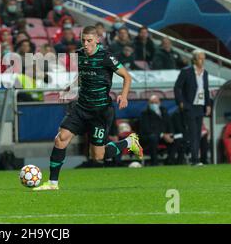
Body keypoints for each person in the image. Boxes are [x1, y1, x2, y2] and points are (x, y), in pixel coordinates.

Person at [34, 26, 143, 191]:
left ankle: (129, 142)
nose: (86, 44)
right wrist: (70, 87)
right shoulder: (79, 54)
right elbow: (83, 74)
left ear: (97, 40)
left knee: (97, 156)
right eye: (83, 40)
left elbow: (127, 76)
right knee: (61, 138)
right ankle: (52, 183)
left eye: (89, 40)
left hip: (100, 111)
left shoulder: (107, 57)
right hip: (81, 108)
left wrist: (124, 95)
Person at [174, 50, 211, 166]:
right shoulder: (186, 71)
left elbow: (206, 90)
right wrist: (181, 102)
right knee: (193, 133)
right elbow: (177, 87)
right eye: (200, 58)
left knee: (198, 133)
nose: (203, 60)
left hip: (200, 106)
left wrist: (208, 104)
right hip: (189, 106)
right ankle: (195, 159)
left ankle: (195, 157)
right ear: (194, 59)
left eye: (203, 58)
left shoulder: (205, 73)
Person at [139, 95, 172, 166]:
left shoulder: (164, 111)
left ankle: (171, 161)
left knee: (177, 138)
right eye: (152, 103)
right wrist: (162, 135)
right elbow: (147, 129)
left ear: (159, 103)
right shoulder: (144, 114)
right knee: (153, 138)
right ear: (149, 103)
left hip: (164, 136)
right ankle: (154, 162)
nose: (154, 104)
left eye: (156, 102)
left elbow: (169, 125)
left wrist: (170, 134)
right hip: (149, 136)